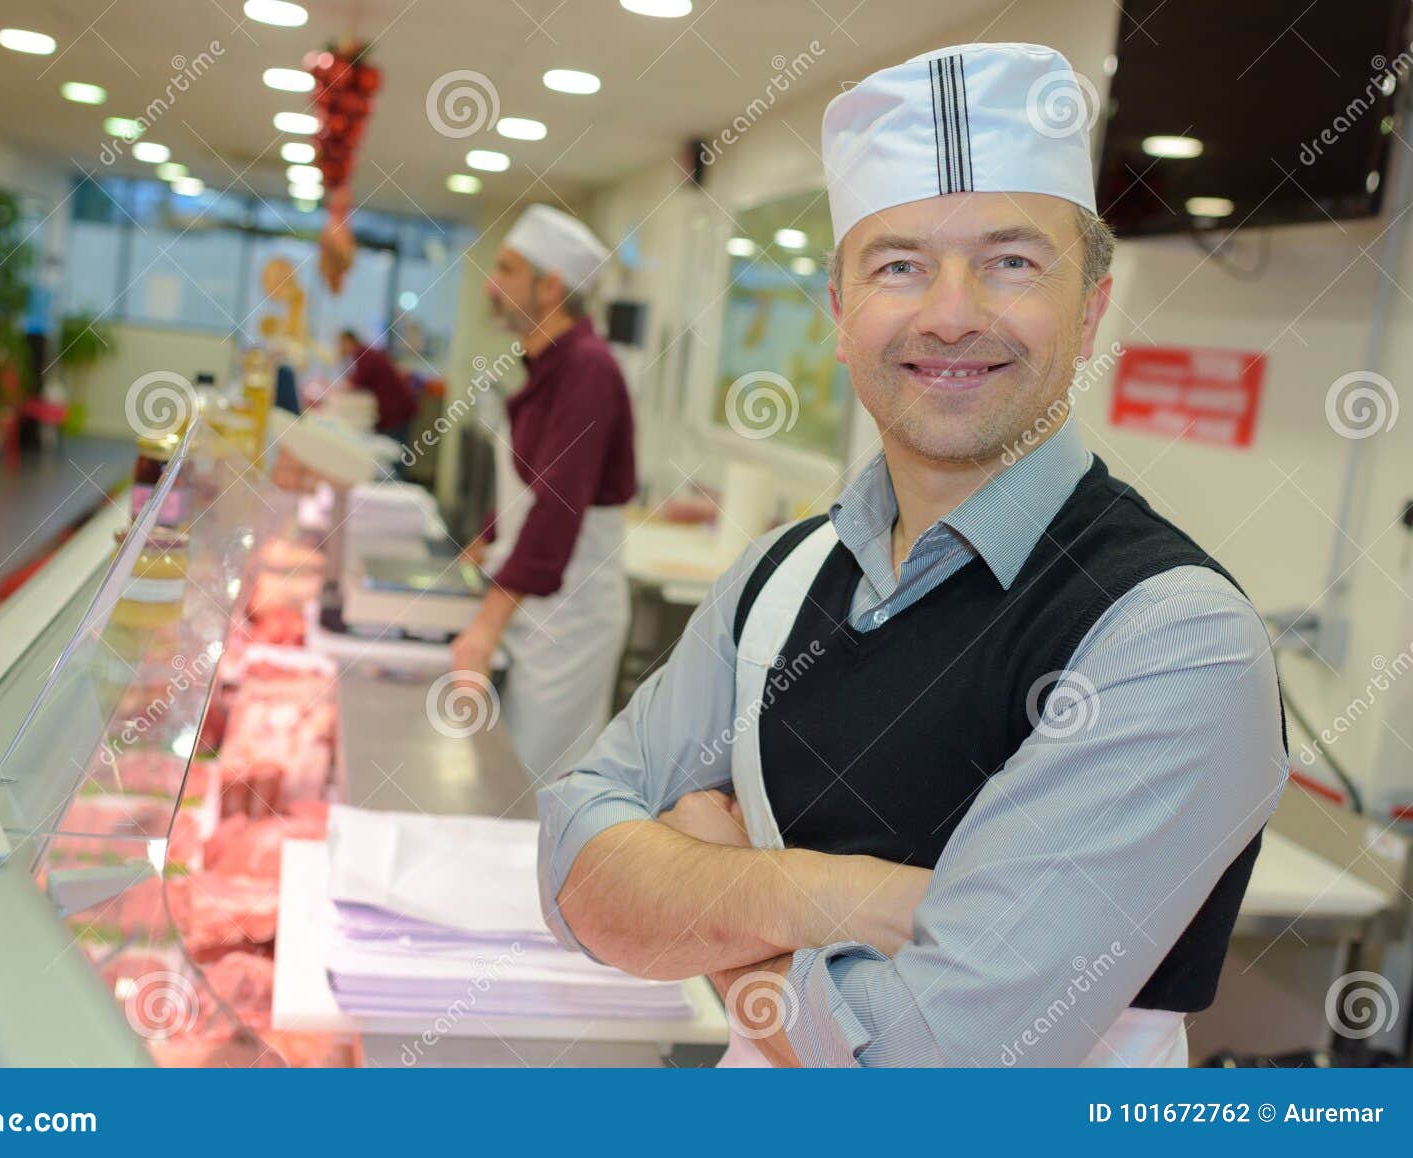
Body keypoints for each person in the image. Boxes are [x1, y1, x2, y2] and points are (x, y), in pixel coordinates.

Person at [534, 42, 1288, 1067]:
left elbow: (924, 1072)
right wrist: (832, 893)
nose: (948, 313)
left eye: (1011, 261)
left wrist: (713, 897)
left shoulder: (1170, 634)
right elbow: (575, 872)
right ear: (841, 316)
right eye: (898, 265)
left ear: (1092, 309)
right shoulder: (779, 579)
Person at [451, 204, 636, 782]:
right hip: (537, 605)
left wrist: (484, 626)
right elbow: (528, 481)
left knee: (532, 784)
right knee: (505, 767)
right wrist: (483, 539)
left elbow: (555, 510)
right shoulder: (549, 365)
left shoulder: (589, 370)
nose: (491, 284)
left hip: (570, 620)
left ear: (550, 285)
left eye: (506, 269)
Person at [338, 329, 416, 443]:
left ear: (348, 341)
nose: (339, 347)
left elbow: (356, 383)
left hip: (396, 410)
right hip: (395, 408)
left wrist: (340, 359)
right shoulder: (365, 353)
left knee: (395, 449)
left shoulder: (364, 355)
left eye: (340, 343)